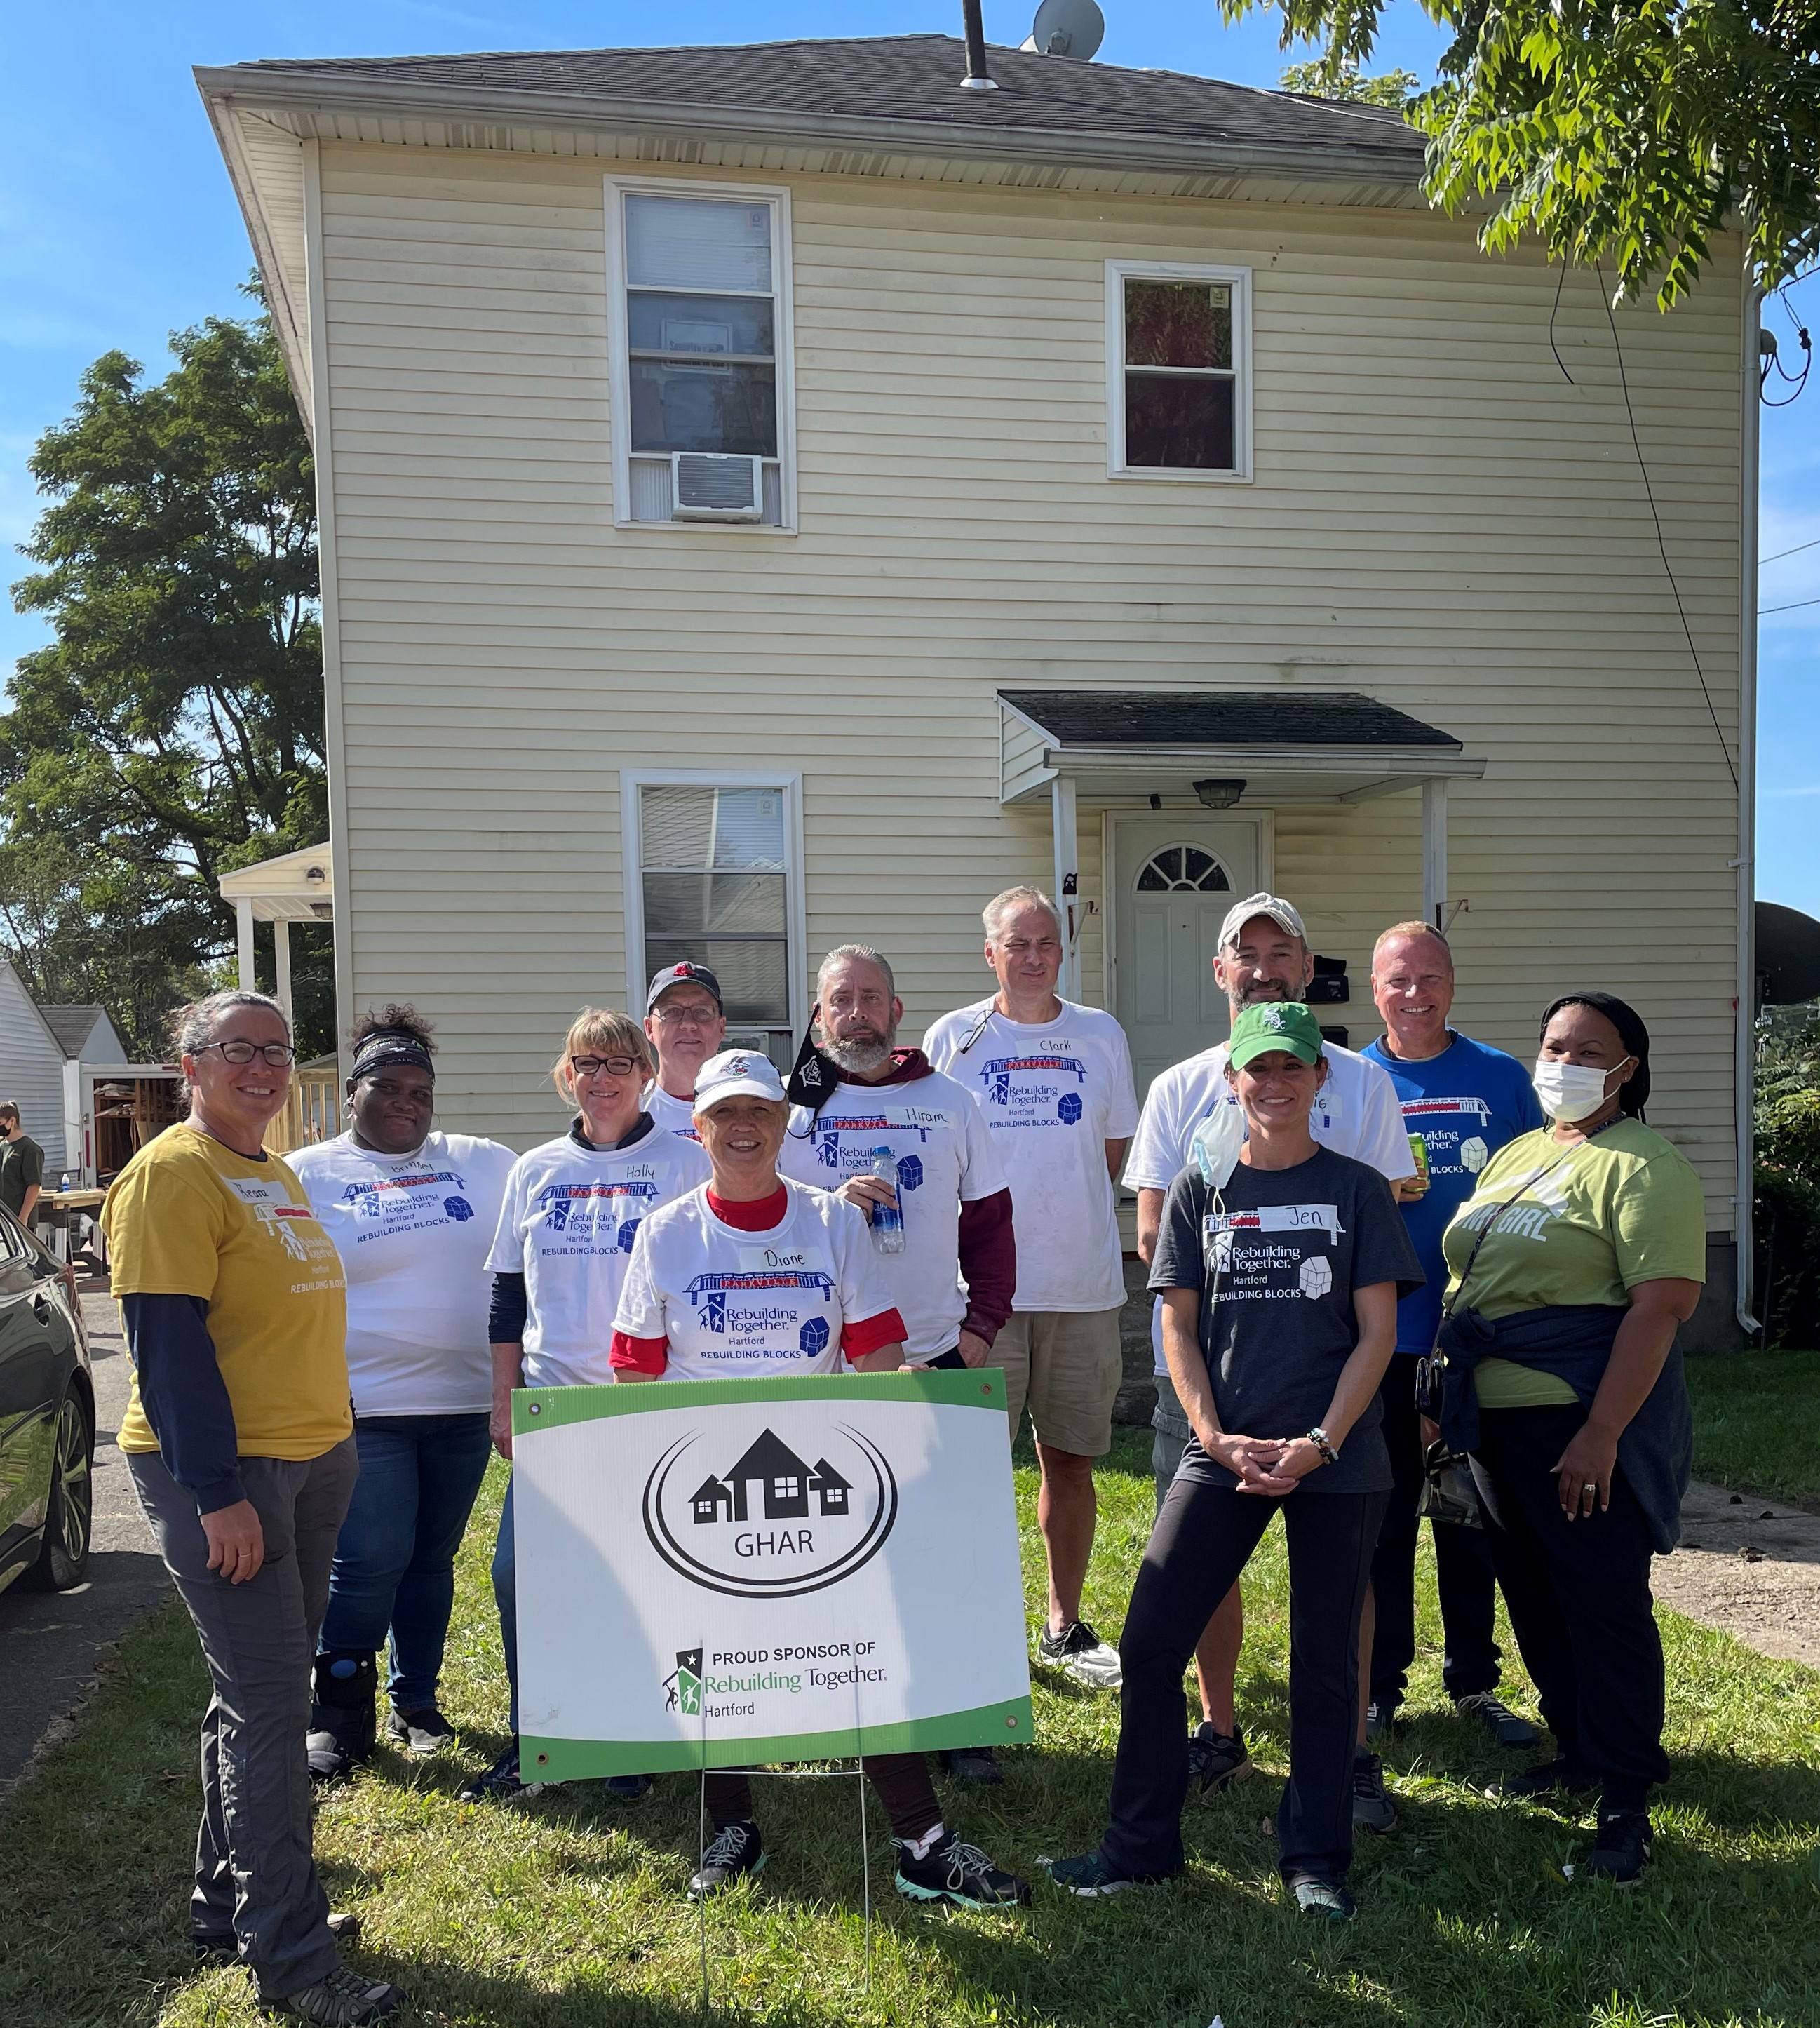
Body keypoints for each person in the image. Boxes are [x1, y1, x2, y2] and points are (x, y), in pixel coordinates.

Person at [612, 1046, 1030, 1912]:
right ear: (699, 1128)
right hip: (705, 1486)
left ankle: (923, 1844)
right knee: (712, 1655)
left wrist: (883, 1427)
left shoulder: (833, 1221)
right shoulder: (665, 1232)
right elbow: (634, 1374)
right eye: (725, 1113)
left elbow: (875, 1352)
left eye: (760, 1111)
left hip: (819, 1474)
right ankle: (733, 1825)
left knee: (863, 1648)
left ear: (783, 1123)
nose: (743, 1127)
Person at [1049, 1000, 1422, 1921]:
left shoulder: (1357, 1188)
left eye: (1293, 1066)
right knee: (1149, 1644)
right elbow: (1176, 1323)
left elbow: (1378, 1332)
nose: (1275, 1083)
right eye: (1259, 1068)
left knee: (1325, 1662)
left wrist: (1322, 1440)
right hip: (1223, 1448)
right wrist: (1211, 1435)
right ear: (1232, 1080)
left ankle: (1314, 1857)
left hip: (1337, 1455)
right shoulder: (1198, 1188)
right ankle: (1138, 1847)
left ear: (1319, 1077)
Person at [102, 988, 404, 2026]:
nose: (264, 1068)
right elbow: (168, 1348)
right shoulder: (171, 1174)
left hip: (312, 1455)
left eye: (278, 1050)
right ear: (189, 1063)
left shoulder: (269, 1169)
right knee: (273, 1708)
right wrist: (218, 1492)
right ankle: (293, 1956)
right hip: (228, 1475)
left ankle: (226, 1903)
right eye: (239, 1049)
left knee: (254, 1693)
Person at [1121, 894, 1415, 1822]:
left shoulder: (1361, 1083)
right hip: (1212, 1380)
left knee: (1343, 1584)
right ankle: (1218, 1729)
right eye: (1242, 952)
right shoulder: (1180, 1086)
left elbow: (1376, 1220)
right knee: (1201, 1567)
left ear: (1305, 966)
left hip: (1333, 1383)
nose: (1261, 966)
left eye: (1279, 950)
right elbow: (1154, 1235)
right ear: (1219, 970)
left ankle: (1348, 1753)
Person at [1438, 992, 1704, 1887]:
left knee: (1601, 1599)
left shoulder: (1646, 1165)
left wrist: (1601, 1431)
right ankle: (1580, 1746)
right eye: (1554, 1045)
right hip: (1494, 1420)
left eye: (1589, 1050)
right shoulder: (1518, 1151)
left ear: (1628, 1067)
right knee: (1534, 1591)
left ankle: (1626, 1798)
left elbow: (1660, 1306)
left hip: (1576, 1418)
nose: (1565, 1062)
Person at [777, 943, 1016, 1782]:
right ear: (818, 1018)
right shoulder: (790, 1109)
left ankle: (964, 1717)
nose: (857, 1013)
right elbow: (759, 1217)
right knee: (833, 1547)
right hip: (826, 1369)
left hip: (933, 1354)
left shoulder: (950, 1100)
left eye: (871, 997)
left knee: (950, 1545)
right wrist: (825, 1206)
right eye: (840, 1000)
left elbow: (991, 1224)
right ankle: (846, 1703)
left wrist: (981, 1326)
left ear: (897, 1010)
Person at [460, 1007, 710, 1805]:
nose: (602, 1078)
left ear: (646, 1074)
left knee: (646, 1577)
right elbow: (507, 1297)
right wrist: (505, 1401)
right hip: (555, 1409)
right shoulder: (535, 1170)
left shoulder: (687, 1162)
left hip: (651, 1409)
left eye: (618, 1063)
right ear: (568, 1075)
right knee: (520, 1577)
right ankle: (538, 1735)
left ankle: (638, 1729)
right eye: (586, 1064)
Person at [289, 1005, 516, 1780]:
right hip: (363, 1405)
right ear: (353, 1089)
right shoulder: (307, 1172)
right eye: (387, 1086)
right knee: (369, 1557)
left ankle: (416, 1699)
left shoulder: (483, 1161)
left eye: (421, 1090)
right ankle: (338, 1708)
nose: (406, 1102)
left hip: (464, 1402)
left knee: (431, 1557)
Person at [925, 886, 1139, 1692]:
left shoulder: (1101, 1032)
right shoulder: (954, 1036)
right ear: (991, 953)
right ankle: (974, 1630)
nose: (1034, 955)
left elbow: (1110, 1153)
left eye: (1046, 941)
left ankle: (1063, 1622)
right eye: (1017, 942)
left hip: (1082, 1287)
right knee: (970, 1471)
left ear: (1063, 948)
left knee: (1071, 1462)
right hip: (981, 1299)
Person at [1360, 924, 1546, 1747]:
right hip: (1383, 1333)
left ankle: (1475, 1680)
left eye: (1430, 977)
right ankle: (1380, 1684)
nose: (1415, 994)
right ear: (1376, 988)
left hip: (1478, 1330)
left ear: (1453, 982)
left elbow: (1544, 1186)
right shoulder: (1351, 1080)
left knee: (1472, 1516)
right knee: (1385, 1512)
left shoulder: (1502, 1078)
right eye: (1399, 980)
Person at [642, 962, 727, 1143]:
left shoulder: (752, 1108)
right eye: (672, 1011)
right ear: (649, 1029)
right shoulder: (630, 1113)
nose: (688, 1024)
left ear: (721, 1027)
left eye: (702, 1011)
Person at [0, 1101, 45, 1227]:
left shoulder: (30, 1149)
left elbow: (34, 1185)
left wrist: (23, 1217)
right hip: (3, 1219)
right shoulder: (2, 1147)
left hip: (19, 1218)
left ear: (12, 1121)